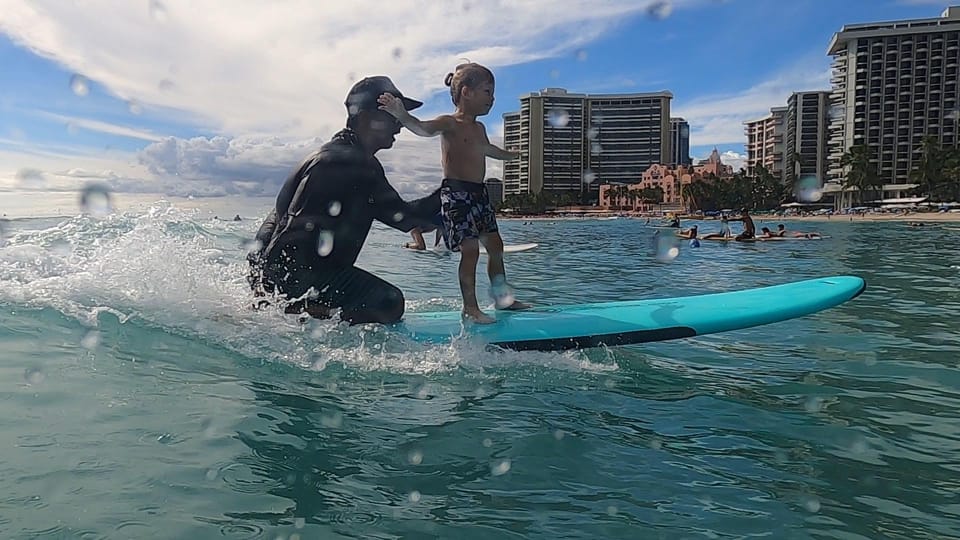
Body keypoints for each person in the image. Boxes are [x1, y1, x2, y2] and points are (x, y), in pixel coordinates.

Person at [246, 76, 440, 325]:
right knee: (389, 302)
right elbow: (410, 220)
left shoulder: (334, 156)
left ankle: (285, 309)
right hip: (295, 279)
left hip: (278, 274)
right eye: (395, 115)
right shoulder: (350, 163)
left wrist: (261, 288)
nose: (400, 125)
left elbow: (272, 226)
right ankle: (299, 313)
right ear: (369, 118)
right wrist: (456, 189)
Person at [378, 62, 529, 323]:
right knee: (469, 250)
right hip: (456, 194)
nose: (492, 99)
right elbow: (422, 128)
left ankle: (502, 300)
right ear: (467, 92)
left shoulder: (480, 129)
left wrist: (510, 155)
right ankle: (470, 308)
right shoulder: (449, 123)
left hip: (479, 194)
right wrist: (401, 115)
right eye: (487, 91)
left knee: (496, 246)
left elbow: (487, 150)